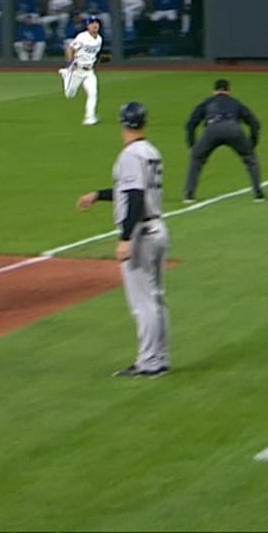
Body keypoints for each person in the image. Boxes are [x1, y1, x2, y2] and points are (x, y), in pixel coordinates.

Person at [76, 102, 170, 377]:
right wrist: (98, 195)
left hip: (141, 233)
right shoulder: (151, 151)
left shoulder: (130, 155)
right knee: (155, 298)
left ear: (122, 124)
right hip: (157, 228)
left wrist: (125, 238)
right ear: (144, 123)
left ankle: (149, 363)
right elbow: (128, 190)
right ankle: (160, 357)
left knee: (143, 303)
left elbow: (135, 197)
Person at [183, 79, 265, 203]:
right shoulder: (235, 102)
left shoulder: (207, 102)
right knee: (250, 160)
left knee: (196, 159)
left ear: (214, 91)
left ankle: (189, 195)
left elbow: (191, 124)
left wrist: (193, 145)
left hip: (212, 129)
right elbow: (254, 123)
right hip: (233, 129)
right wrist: (252, 143)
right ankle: (258, 194)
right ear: (228, 91)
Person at [60, 16, 103, 125]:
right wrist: (70, 64)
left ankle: (89, 118)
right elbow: (69, 48)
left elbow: (94, 55)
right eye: (92, 23)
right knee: (69, 95)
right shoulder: (82, 37)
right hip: (77, 70)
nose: (95, 25)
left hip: (89, 71)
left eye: (96, 23)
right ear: (87, 26)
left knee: (93, 93)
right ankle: (66, 74)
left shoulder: (99, 39)